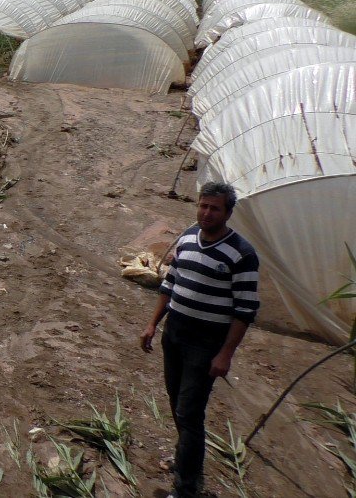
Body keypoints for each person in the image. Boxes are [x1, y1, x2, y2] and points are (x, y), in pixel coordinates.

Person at [140, 182, 260, 498]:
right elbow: (170, 283)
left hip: (205, 343)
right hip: (175, 333)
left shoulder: (242, 254)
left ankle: (187, 488)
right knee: (176, 403)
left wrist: (226, 354)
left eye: (214, 208)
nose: (206, 213)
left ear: (228, 212)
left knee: (189, 412)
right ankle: (185, 460)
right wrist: (153, 324)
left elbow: (245, 310)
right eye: (203, 206)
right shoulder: (189, 237)